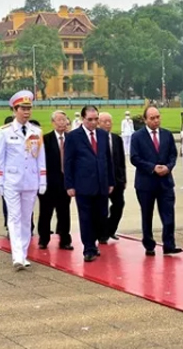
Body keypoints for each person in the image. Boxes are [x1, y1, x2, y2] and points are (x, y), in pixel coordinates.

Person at [0, 91, 46, 270]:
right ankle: (17, 256)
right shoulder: (5, 131)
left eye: (29, 108)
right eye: (23, 108)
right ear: (15, 110)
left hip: (30, 180)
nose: (26, 112)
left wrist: (43, 180)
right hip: (12, 181)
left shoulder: (36, 131)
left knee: (26, 219)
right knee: (14, 217)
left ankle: (23, 254)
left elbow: (40, 158)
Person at [64, 105, 114, 262]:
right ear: (83, 119)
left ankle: (97, 239)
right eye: (90, 119)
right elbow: (68, 162)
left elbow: (108, 159)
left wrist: (111, 181)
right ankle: (89, 248)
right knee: (86, 217)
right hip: (83, 185)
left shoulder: (103, 135)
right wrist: (69, 185)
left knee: (101, 216)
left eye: (95, 119)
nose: (93, 122)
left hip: (102, 184)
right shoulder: (73, 136)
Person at [130, 106, 182, 257]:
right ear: (145, 120)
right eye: (152, 118)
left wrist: (168, 167)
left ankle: (169, 245)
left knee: (168, 215)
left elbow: (173, 154)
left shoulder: (166, 135)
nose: (156, 120)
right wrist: (152, 168)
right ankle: (149, 244)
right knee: (147, 215)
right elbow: (134, 158)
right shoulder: (137, 137)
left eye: (158, 117)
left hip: (165, 182)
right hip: (146, 183)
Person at [38, 110, 73, 250]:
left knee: (64, 212)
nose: (61, 123)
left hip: (65, 183)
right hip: (48, 183)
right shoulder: (45, 139)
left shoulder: (71, 138)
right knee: (46, 212)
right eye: (58, 120)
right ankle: (43, 239)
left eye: (64, 120)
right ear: (53, 123)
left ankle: (65, 240)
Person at [98, 112, 127, 240]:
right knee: (101, 208)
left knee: (119, 205)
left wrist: (123, 178)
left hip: (117, 179)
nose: (108, 124)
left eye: (109, 121)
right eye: (104, 121)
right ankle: (102, 233)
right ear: (98, 123)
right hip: (102, 180)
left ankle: (110, 229)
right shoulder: (95, 139)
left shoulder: (116, 139)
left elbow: (121, 160)